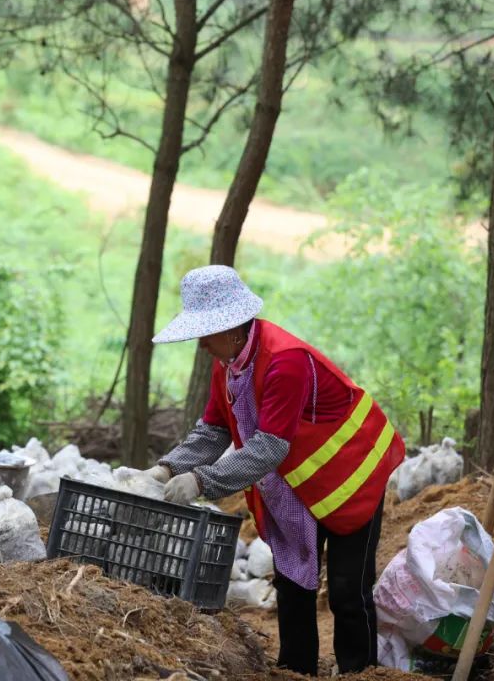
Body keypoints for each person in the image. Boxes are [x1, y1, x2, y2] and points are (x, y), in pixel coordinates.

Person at [146, 265, 404, 677]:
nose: (200, 346)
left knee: (346, 591)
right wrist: (167, 468)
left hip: (351, 475)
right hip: (299, 481)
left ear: (231, 328)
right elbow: (212, 431)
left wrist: (202, 481)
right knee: (293, 579)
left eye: (204, 334)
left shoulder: (286, 361)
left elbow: (269, 446)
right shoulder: (228, 366)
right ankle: (296, 671)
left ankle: (361, 671)